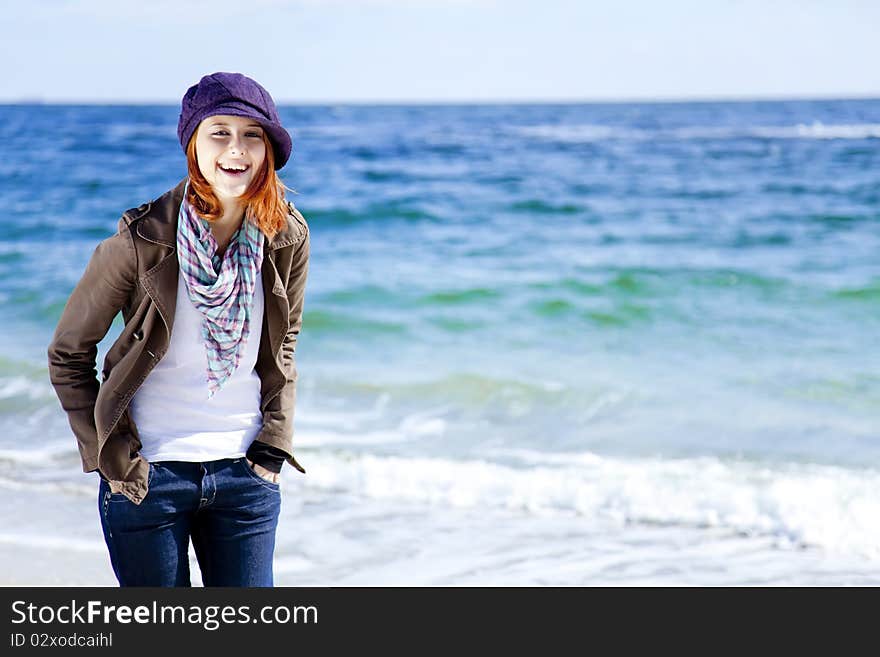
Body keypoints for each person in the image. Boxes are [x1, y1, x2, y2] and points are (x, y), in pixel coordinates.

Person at [47, 72, 310, 587]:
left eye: (252, 134)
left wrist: (273, 446)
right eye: (220, 132)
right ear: (193, 143)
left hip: (245, 473)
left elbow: (285, 345)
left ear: (268, 149)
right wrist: (111, 457)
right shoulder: (139, 241)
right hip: (149, 479)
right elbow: (68, 354)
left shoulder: (286, 236)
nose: (236, 149)